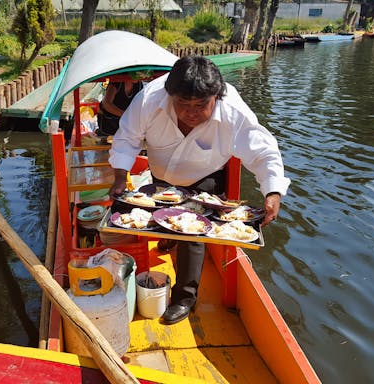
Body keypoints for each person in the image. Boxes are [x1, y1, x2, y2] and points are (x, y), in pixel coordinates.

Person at [108, 55, 291, 325]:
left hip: (204, 176)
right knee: (149, 216)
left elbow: (263, 152)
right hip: (161, 175)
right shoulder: (149, 99)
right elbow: (127, 137)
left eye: (201, 105)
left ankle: (184, 298)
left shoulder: (234, 112)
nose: (192, 112)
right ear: (170, 96)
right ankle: (167, 240)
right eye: (183, 104)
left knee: (193, 229)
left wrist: (272, 192)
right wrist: (120, 176)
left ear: (216, 96)